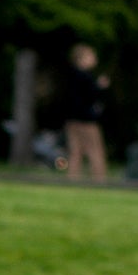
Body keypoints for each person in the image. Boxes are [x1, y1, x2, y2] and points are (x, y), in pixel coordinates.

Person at [57, 42, 111, 182]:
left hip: (72, 119)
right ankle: (99, 180)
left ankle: (73, 179)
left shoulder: (70, 76)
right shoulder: (85, 77)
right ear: (80, 59)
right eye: (91, 56)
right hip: (86, 120)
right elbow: (89, 96)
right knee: (95, 151)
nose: (94, 58)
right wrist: (99, 87)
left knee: (75, 152)